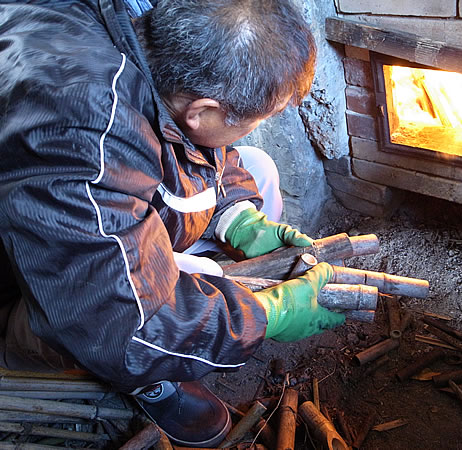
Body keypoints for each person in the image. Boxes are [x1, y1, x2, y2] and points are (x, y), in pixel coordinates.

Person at [0, 0, 346, 446]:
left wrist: (238, 218)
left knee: (257, 167)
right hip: (30, 282)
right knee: (106, 327)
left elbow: (191, 145)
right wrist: (263, 315)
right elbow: (116, 320)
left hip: (78, 214)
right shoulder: (85, 140)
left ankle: (192, 316)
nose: (253, 128)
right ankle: (149, 375)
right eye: (253, 120)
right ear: (201, 110)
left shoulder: (148, 40)